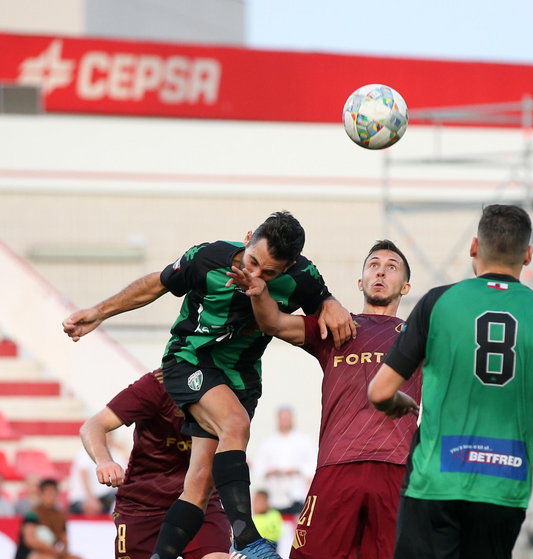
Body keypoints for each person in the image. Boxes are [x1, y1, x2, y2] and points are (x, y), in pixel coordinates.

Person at [62, 211, 354, 559]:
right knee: (236, 424)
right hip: (190, 360)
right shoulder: (206, 257)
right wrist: (100, 311)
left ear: (289, 267)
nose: (255, 274)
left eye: (270, 272)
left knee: (198, 484)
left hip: (240, 379)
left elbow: (321, 298)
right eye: (253, 261)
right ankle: (247, 537)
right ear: (247, 238)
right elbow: (156, 284)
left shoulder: (301, 276)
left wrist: (330, 302)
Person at [368, 204, 533, 559]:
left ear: (474, 247)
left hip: (436, 481)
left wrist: (396, 403)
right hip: (504, 486)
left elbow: (380, 391)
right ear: (529, 255)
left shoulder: (437, 303)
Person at [229, 239, 421, 559]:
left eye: (391, 267)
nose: (381, 272)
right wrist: (260, 291)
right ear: (360, 281)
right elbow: (273, 322)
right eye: (373, 265)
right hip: (337, 467)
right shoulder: (336, 327)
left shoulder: (418, 335)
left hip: (397, 466)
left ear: (405, 286)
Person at [79, 369, 231, 559]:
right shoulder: (155, 385)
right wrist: (104, 461)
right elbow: (92, 425)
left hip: (201, 500)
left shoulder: (230, 387)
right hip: (143, 505)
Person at [252, 406, 315, 514]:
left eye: (287, 418)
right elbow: (258, 468)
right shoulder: (268, 443)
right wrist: (270, 471)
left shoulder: (304, 441)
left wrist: (297, 470)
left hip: (297, 495)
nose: (284, 421)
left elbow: (313, 464)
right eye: (282, 418)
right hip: (273, 497)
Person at [14, 478, 82, 559]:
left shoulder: (60, 515)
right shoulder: (33, 513)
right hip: (32, 553)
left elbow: (64, 539)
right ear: (41, 494)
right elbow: (30, 540)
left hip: (53, 552)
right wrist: (53, 551)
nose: (51, 497)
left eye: (54, 493)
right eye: (48, 493)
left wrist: (63, 551)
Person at [66, 442, 119, 515]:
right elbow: (84, 473)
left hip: (104, 500)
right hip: (83, 500)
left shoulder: (115, 453)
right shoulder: (87, 452)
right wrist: (90, 499)